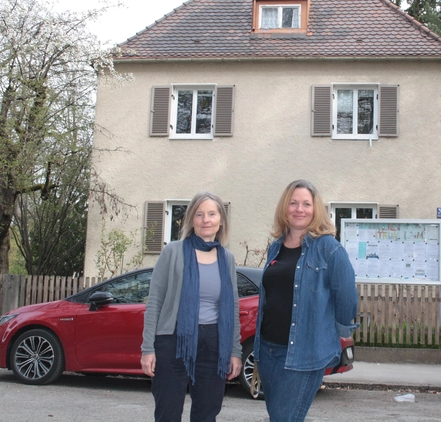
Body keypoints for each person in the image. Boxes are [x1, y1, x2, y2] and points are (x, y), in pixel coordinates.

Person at [254, 179, 359, 422]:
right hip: (268, 352)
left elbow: (346, 299)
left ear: (316, 210)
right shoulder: (276, 248)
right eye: (293, 203)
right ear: (284, 208)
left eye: (306, 204)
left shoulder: (329, 249)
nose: (299, 209)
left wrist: (338, 333)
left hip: (304, 355)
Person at [140, 192, 242, 422]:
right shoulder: (173, 252)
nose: (206, 219)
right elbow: (155, 300)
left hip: (214, 344)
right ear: (191, 220)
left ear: (221, 220)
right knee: (168, 413)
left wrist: (235, 351)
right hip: (173, 340)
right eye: (199, 214)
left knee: (207, 413)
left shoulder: (227, 258)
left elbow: (232, 308)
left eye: (212, 214)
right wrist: (148, 348)